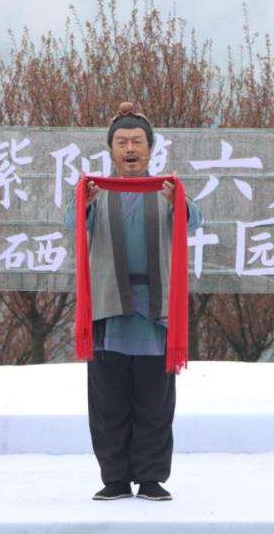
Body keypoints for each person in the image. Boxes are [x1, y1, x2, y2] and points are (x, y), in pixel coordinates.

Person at [64, 102, 201, 502]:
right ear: (110, 150)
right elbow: (71, 224)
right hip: (109, 307)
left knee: (154, 403)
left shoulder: (166, 190)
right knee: (108, 403)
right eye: (122, 142)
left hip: (156, 311)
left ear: (150, 149)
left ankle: (151, 478)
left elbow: (194, 221)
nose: (129, 149)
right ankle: (115, 478)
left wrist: (179, 202)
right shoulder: (97, 191)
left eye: (137, 142)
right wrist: (84, 203)